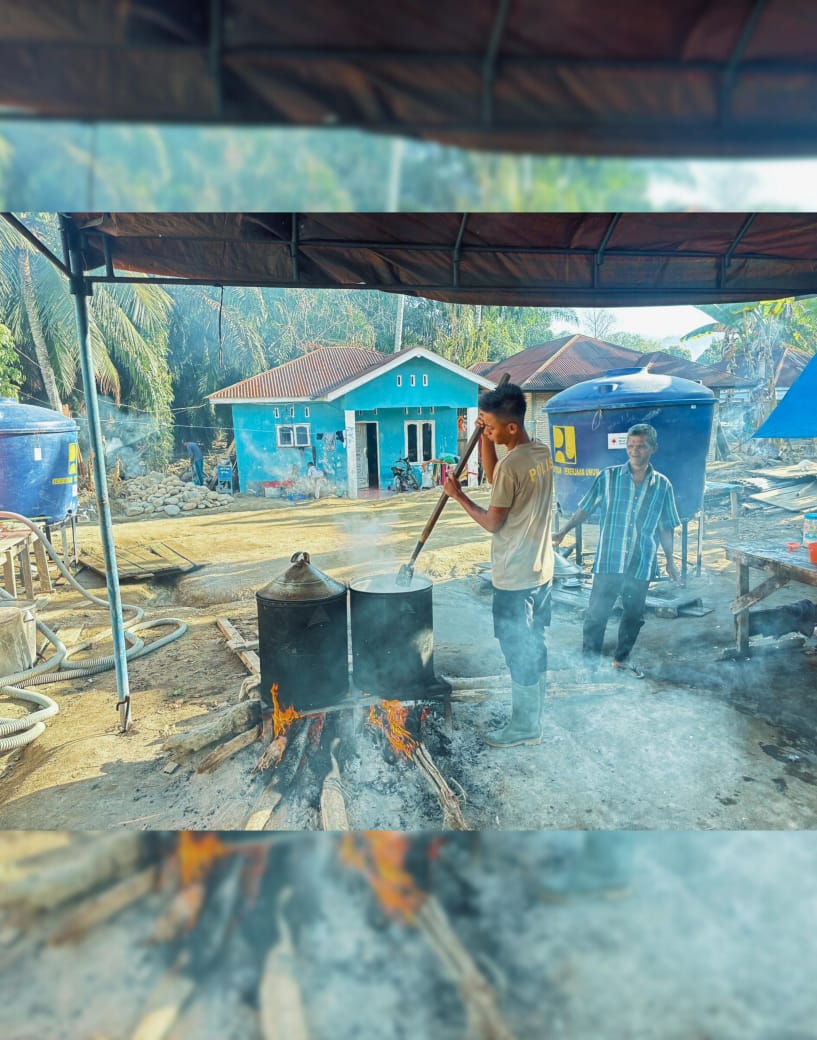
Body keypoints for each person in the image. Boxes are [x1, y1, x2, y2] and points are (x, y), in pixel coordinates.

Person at [443, 382, 554, 747]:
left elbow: (493, 521)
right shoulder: (539, 453)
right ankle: (535, 714)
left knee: (517, 649)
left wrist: (458, 496)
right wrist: (486, 440)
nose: (484, 431)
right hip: (542, 573)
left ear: (511, 427)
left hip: (515, 577)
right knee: (534, 643)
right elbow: (496, 480)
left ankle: (525, 727)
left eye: (489, 427)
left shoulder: (513, 465)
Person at [553, 423, 681, 679]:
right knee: (596, 615)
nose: (635, 451)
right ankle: (589, 665)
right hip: (609, 559)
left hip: (640, 561)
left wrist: (670, 560)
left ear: (653, 449)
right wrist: (564, 530)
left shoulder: (662, 485)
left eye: (641, 446)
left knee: (633, 616)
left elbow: (666, 527)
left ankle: (621, 661)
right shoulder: (608, 477)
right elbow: (586, 508)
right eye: (631, 446)